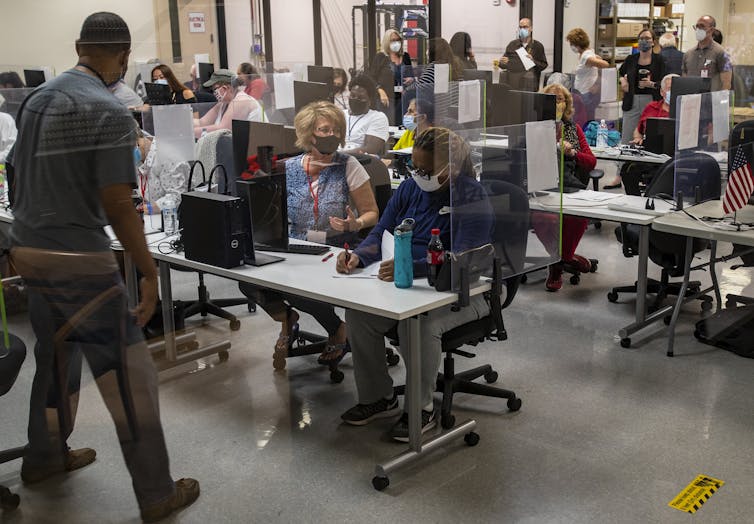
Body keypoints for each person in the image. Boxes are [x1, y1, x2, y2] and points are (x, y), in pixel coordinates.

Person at [6, 12, 199, 522]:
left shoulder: (35, 99)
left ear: (77, 47)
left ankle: (44, 457)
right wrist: (149, 271)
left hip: (27, 248)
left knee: (56, 357)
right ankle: (158, 493)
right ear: (124, 55)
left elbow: (14, 172)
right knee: (131, 380)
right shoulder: (109, 111)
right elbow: (117, 201)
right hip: (79, 262)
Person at [337, 127, 493, 441]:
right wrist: (358, 257)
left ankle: (422, 410)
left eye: (427, 169)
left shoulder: (471, 197)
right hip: (407, 286)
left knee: (419, 325)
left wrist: (411, 266)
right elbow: (381, 230)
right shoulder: (409, 189)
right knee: (360, 316)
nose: (419, 174)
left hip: (466, 290)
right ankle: (379, 398)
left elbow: (463, 261)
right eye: (415, 167)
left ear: (450, 168)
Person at [239, 101, 378, 364]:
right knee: (247, 281)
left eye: (336, 130)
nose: (332, 135)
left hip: (336, 248)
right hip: (294, 246)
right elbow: (259, 197)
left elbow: (372, 213)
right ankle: (286, 318)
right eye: (324, 129)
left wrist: (354, 224)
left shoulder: (348, 165)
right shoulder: (288, 167)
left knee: (298, 288)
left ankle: (337, 329)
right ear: (308, 134)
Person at [534, 83, 597, 292]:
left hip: (568, 185)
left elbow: (591, 162)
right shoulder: (533, 128)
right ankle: (562, 260)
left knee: (577, 215)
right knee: (545, 217)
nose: (556, 103)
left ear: (567, 104)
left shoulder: (572, 129)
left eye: (560, 99)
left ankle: (560, 261)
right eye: (551, 99)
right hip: (540, 185)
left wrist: (572, 154)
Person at [618, 74, 678, 195]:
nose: (673, 92)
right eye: (669, 88)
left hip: (674, 158)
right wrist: (637, 137)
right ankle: (635, 200)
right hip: (650, 155)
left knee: (662, 175)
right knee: (627, 169)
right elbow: (638, 129)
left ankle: (652, 198)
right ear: (662, 92)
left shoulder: (686, 109)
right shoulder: (651, 107)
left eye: (676, 88)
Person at [618, 29, 666, 144]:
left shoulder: (660, 60)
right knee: (627, 136)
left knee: (650, 136)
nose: (644, 41)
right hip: (632, 100)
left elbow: (666, 82)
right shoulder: (631, 59)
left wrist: (652, 84)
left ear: (653, 42)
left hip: (651, 101)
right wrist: (623, 82)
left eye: (647, 38)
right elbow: (620, 73)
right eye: (641, 39)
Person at [193, 68, 265, 138]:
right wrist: (185, 125)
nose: (214, 92)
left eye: (215, 89)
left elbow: (223, 129)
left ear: (226, 87)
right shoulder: (223, 104)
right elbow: (201, 122)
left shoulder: (241, 101)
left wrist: (191, 133)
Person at [367, 29, 413, 125]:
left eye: (398, 40)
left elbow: (411, 74)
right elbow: (371, 78)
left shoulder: (405, 56)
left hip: (403, 98)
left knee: (403, 127)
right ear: (387, 42)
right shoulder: (381, 57)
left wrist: (411, 79)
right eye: (393, 40)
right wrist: (380, 91)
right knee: (388, 126)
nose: (396, 42)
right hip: (386, 99)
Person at [566, 27, 611, 122]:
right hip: (582, 92)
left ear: (577, 44)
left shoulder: (588, 57)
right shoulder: (585, 54)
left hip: (587, 94)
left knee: (586, 121)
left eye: (571, 44)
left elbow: (605, 65)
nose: (571, 46)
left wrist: (597, 84)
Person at [341, 74, 389, 155]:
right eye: (352, 96)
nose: (355, 99)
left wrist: (339, 155)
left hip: (361, 162)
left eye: (360, 98)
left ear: (370, 100)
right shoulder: (340, 114)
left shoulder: (377, 117)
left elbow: (370, 149)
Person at [683, 15, 732, 92]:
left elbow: (726, 83)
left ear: (712, 30)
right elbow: (684, 80)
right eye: (697, 26)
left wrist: (720, 101)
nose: (698, 29)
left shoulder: (722, 53)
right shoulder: (688, 54)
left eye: (702, 26)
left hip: (711, 100)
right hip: (691, 100)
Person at [500, 18, 548, 91]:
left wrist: (533, 61)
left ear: (531, 28)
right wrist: (502, 62)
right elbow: (503, 65)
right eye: (520, 27)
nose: (522, 29)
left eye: (525, 27)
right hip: (513, 86)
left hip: (529, 85)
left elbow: (543, 65)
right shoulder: (512, 45)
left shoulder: (537, 46)